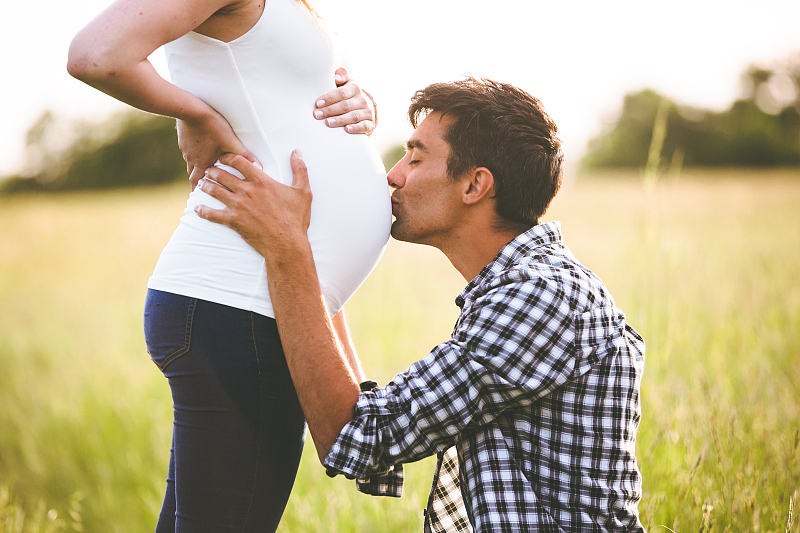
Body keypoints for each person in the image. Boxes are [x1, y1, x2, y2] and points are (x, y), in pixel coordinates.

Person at [194, 77, 647, 532]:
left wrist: (287, 249)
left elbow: (360, 439)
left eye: (415, 156)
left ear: (474, 185)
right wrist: (311, 254)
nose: (394, 175)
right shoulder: (524, 288)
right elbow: (375, 436)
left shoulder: (538, 298)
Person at [67, 0, 391, 531]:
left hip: (253, 304)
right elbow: (94, 55)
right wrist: (196, 114)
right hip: (233, 302)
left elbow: (268, 92)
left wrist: (357, 102)